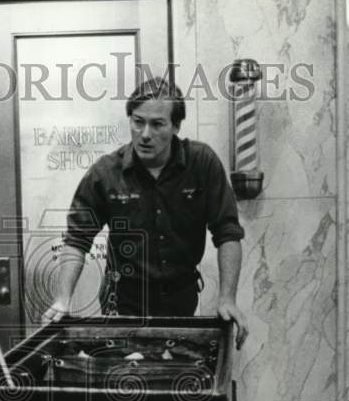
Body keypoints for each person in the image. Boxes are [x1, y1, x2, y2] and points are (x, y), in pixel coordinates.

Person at [41, 77, 249, 348]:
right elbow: (77, 240)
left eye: (157, 124)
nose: (145, 134)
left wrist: (227, 298)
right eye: (138, 121)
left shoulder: (202, 163)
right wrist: (63, 298)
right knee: (128, 376)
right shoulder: (106, 173)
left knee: (178, 371)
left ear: (175, 126)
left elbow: (228, 232)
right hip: (124, 302)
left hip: (181, 300)